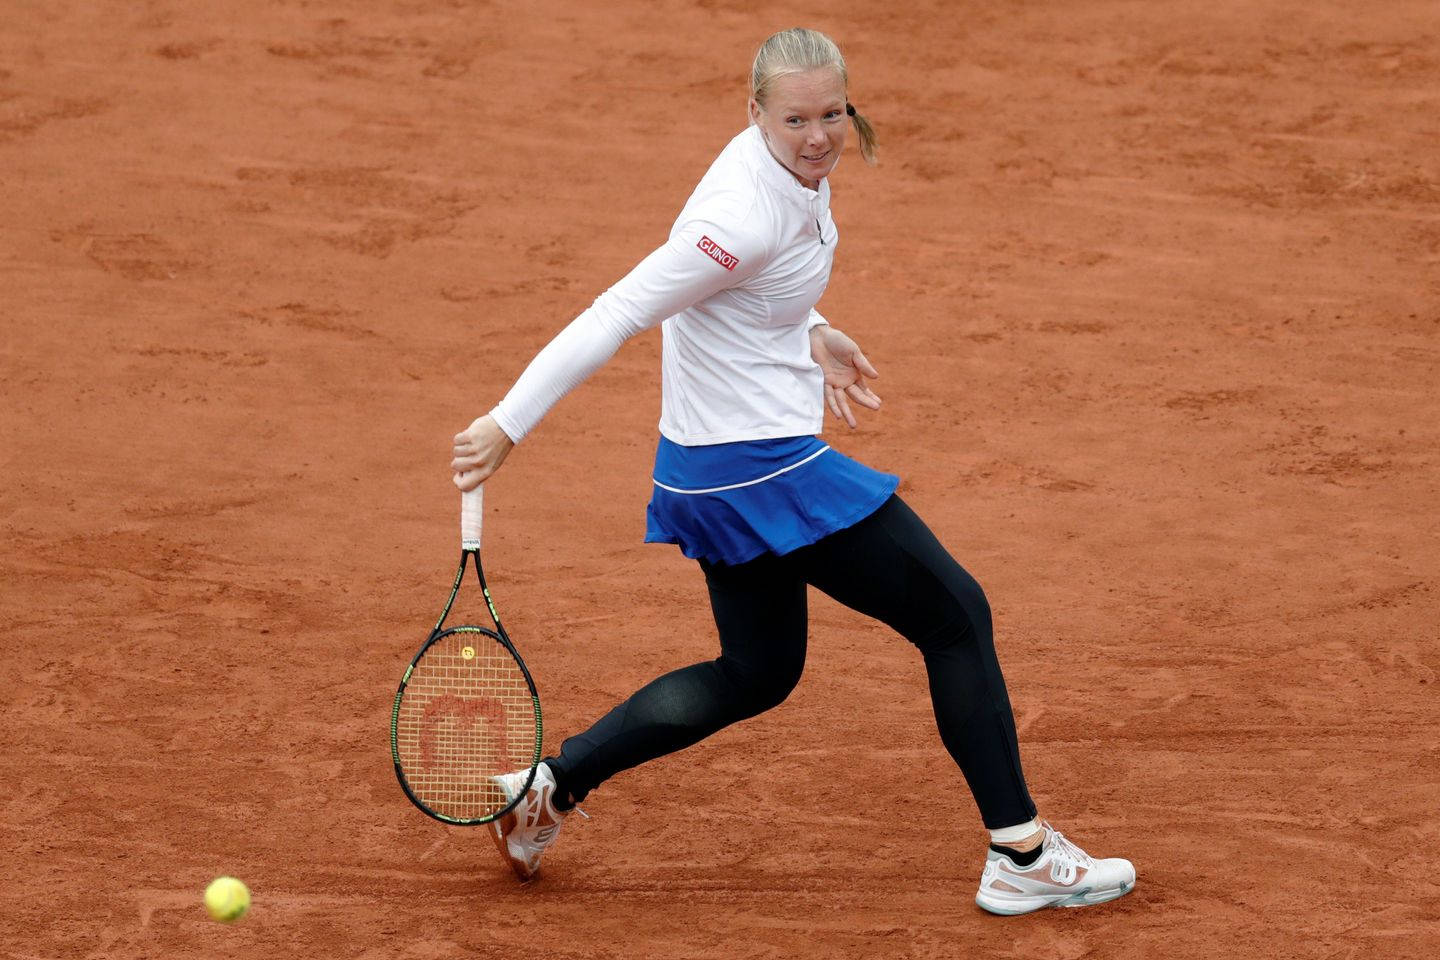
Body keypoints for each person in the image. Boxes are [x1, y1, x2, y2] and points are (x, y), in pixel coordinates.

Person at [448, 27, 1135, 915]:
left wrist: (806, 332)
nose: (818, 136)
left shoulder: (783, 178)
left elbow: (747, 297)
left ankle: (549, 786)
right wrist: (508, 422)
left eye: (832, 113)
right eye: (795, 119)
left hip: (709, 470)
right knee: (957, 617)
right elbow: (617, 313)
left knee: (758, 672)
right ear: (755, 114)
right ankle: (1022, 852)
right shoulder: (733, 220)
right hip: (760, 470)